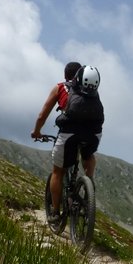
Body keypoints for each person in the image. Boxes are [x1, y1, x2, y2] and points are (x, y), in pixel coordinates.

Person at [31, 61, 104, 224]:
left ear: (66, 75)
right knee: (88, 155)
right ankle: (88, 186)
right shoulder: (93, 92)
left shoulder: (60, 87)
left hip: (69, 134)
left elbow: (42, 115)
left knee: (58, 172)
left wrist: (36, 131)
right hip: (93, 134)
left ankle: (55, 213)